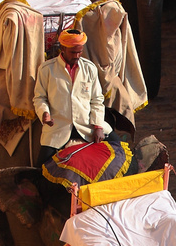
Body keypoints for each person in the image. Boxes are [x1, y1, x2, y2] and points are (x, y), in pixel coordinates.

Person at [33, 28, 116, 169]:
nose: (77, 55)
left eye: (80, 52)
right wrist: (44, 113)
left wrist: (97, 126)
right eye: (73, 52)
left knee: (117, 147)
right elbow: (39, 98)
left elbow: (97, 100)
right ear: (63, 49)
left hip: (86, 126)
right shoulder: (46, 69)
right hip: (58, 129)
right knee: (40, 169)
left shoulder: (90, 68)